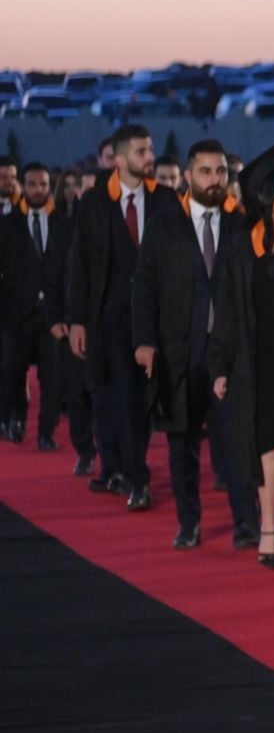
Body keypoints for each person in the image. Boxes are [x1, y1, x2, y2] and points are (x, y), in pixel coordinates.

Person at [132, 140, 257, 549]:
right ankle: (189, 522)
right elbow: (145, 287)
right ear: (188, 176)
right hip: (178, 351)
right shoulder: (165, 225)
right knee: (181, 441)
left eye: (221, 172)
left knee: (236, 440)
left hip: (230, 354)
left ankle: (246, 523)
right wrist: (145, 342)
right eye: (205, 171)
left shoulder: (241, 224)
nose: (214, 179)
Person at [65, 123, 179, 511]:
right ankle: (136, 478)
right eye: (142, 151)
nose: (150, 157)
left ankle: (128, 468)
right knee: (123, 399)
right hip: (110, 320)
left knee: (147, 401)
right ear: (119, 158)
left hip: (160, 318)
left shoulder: (166, 199)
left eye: (150, 150)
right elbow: (78, 264)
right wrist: (77, 319)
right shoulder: (94, 203)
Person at [212, 145, 274, 570]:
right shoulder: (238, 249)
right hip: (255, 358)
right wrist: (220, 365)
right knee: (266, 443)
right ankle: (270, 524)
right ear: (267, 198)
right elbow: (226, 311)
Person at [0, 165, 75, 454]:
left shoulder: (63, 224)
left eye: (43, 184)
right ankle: (16, 418)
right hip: (16, 315)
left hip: (54, 315)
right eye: (32, 184)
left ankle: (47, 432)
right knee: (14, 372)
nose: (38, 190)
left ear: (49, 186)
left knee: (53, 376)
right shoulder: (7, 225)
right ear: (24, 185)